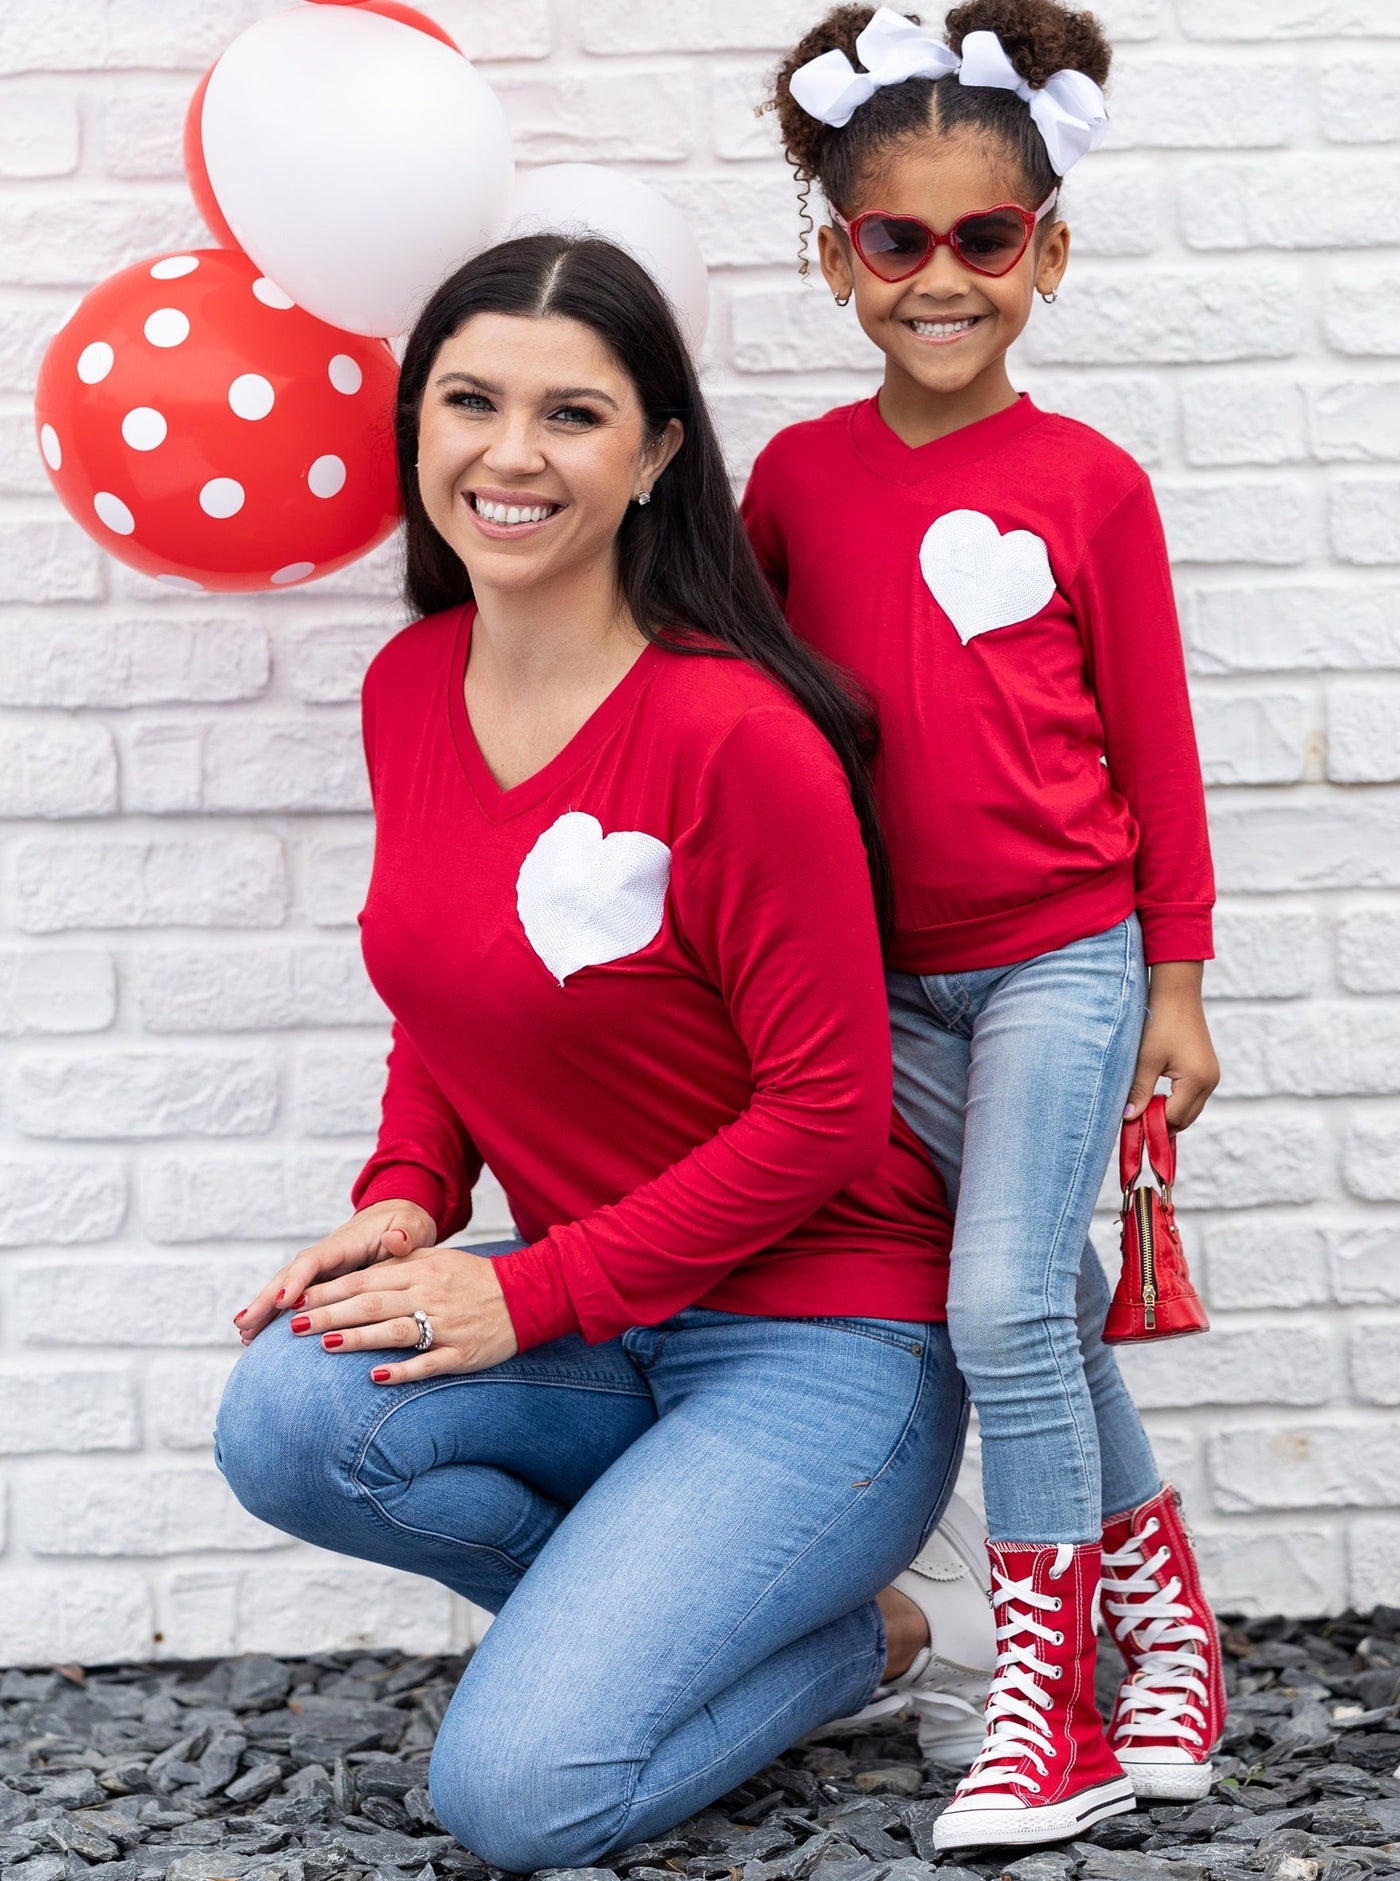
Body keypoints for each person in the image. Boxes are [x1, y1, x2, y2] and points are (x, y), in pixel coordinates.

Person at [215, 233, 995, 1875]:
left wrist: (527, 1289)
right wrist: (413, 1194)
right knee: (286, 1413)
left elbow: (834, 1107)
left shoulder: (733, 735)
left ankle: (861, 1637)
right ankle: (687, 1605)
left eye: (572, 414)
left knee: (519, 1796)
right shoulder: (409, 683)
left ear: (653, 455)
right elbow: (452, 980)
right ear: (417, 427)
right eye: (470, 401)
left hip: (821, 1342)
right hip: (604, 1313)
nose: (511, 453)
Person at [744, 0, 1226, 1849]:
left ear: (1048, 249)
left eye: (984, 238)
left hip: (1059, 953)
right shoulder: (793, 483)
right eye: (896, 239)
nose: (940, 279)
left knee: (1005, 1299)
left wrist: (1173, 977)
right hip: (877, 984)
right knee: (1037, 1316)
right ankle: (1168, 1623)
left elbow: (1159, 748)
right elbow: (760, 727)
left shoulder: (1089, 484)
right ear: (838, 255)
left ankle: (1063, 1708)